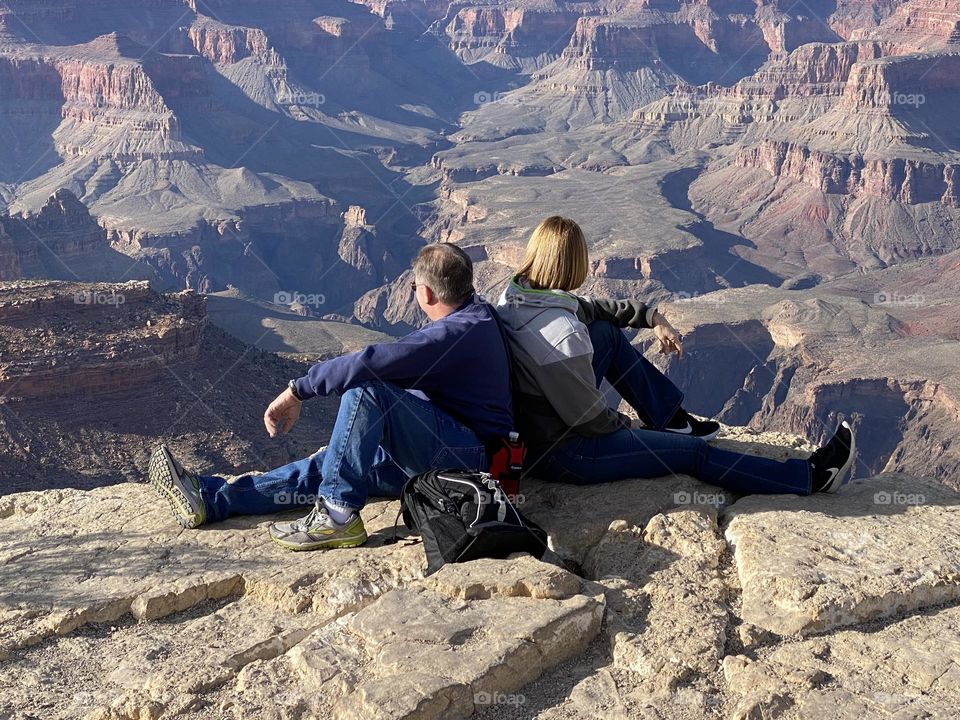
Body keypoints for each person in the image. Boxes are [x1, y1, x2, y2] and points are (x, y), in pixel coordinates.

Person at [149, 243, 513, 550]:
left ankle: (338, 516)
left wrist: (298, 390)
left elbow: (373, 361)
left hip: (467, 457)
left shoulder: (457, 332)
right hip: (441, 446)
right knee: (331, 465)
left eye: (415, 285)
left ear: (426, 293)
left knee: (367, 391)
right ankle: (211, 500)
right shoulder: (473, 316)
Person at [496, 216, 856, 494]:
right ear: (574, 263)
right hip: (566, 452)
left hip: (538, 424)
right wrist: (625, 426)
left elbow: (590, 307)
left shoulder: (517, 296)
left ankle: (669, 419)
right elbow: (589, 420)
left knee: (606, 333)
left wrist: (653, 318)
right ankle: (810, 476)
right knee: (693, 455)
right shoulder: (564, 334)